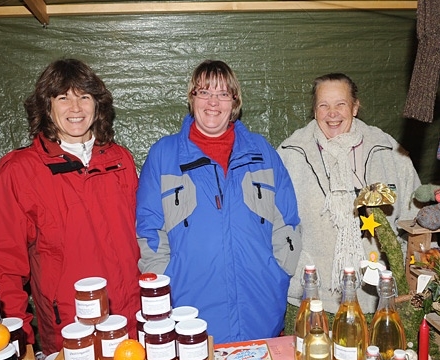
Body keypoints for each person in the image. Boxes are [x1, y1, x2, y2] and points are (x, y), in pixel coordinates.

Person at [0, 59, 140, 355]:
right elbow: (1, 269)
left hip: (129, 327)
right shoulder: (20, 172)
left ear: (97, 105)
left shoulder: (120, 161)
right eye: (63, 97)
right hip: (70, 332)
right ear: (46, 107)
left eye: (84, 97)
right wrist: (16, 344)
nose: (75, 108)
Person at [136, 59, 302, 344]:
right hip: (189, 313)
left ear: (235, 101)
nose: (213, 102)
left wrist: (277, 274)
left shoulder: (262, 152)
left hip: (260, 309)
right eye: (204, 92)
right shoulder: (164, 155)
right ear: (192, 98)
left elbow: (288, 223)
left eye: (223, 93)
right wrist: (167, 280)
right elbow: (149, 231)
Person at [278, 73, 421, 314]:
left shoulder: (388, 152)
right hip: (312, 297)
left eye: (340, 104)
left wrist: (400, 268)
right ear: (314, 110)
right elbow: (274, 224)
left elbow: (415, 218)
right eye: (323, 105)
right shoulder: (290, 154)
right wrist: (298, 266)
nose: (332, 113)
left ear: (355, 107)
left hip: (379, 299)